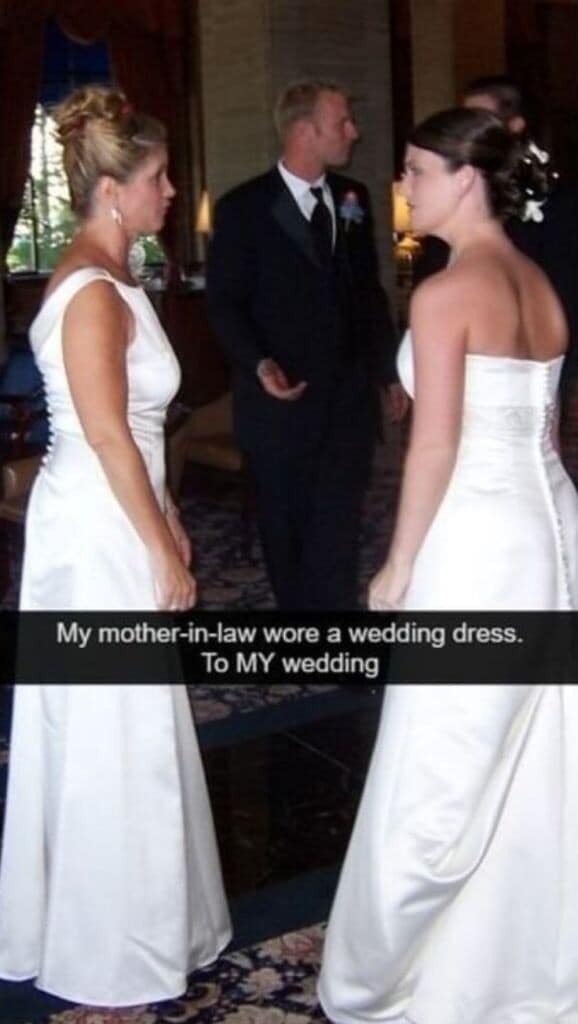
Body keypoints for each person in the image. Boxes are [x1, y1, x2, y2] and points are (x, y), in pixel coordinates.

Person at [318, 108, 578, 1024]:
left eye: (419, 170)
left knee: (443, 757)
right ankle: (519, 961)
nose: (404, 187)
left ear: (466, 178)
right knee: (536, 746)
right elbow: (543, 435)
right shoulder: (537, 281)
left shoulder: (444, 292)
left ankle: (386, 971)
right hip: (548, 530)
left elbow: (432, 448)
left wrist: (396, 569)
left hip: (476, 536)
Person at [0, 86, 231, 1015]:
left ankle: (138, 915)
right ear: (112, 193)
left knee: (126, 719)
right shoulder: (91, 289)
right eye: (158, 177)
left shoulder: (121, 274)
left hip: (118, 509)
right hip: (94, 527)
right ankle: (107, 941)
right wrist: (162, 548)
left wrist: (170, 514)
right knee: (107, 727)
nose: (172, 191)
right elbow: (105, 435)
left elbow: (138, 431)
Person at [207, 80, 400, 610]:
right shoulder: (243, 209)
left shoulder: (353, 197)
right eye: (342, 123)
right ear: (304, 131)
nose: (354, 132)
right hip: (281, 402)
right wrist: (259, 362)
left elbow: (368, 294)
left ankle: (334, 630)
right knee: (286, 522)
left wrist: (387, 372)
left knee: (340, 520)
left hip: (348, 400)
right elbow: (224, 303)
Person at [416, 74, 578, 484]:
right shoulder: (449, 206)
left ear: (516, 126)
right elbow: (433, 272)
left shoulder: (556, 206)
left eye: (481, 117)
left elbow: (564, 291)